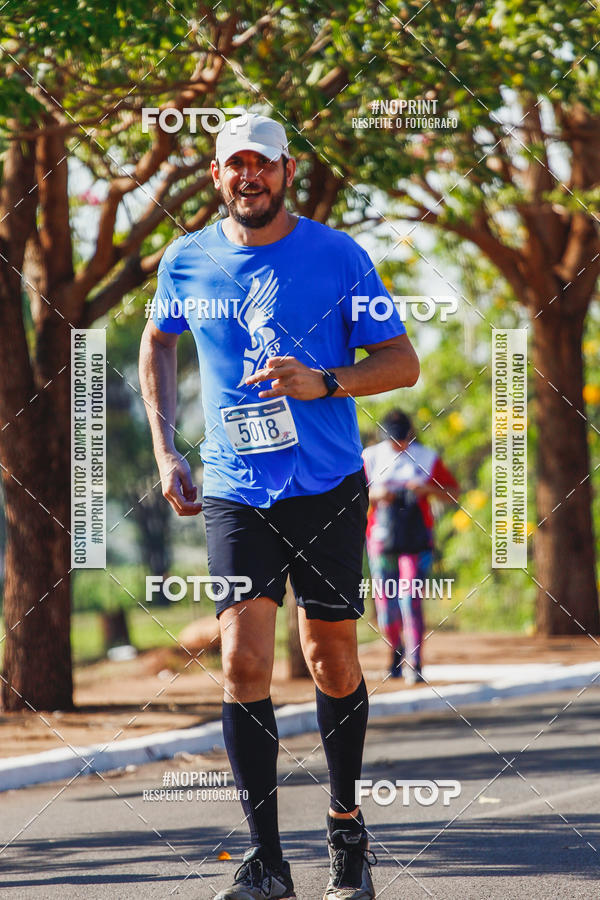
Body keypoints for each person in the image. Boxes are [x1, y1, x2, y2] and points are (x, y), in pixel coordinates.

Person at [139, 113, 419, 900]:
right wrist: (166, 449)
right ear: (216, 175)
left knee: (331, 659)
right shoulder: (186, 259)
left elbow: (401, 362)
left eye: (263, 164)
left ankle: (345, 829)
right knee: (242, 663)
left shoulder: (338, 256)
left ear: (288, 171)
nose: (249, 177)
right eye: (235, 165)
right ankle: (266, 861)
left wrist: (326, 381)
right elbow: (157, 340)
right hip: (235, 490)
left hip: (327, 486)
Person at [363, 410, 459, 684]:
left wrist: (426, 490)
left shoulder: (426, 457)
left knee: (410, 598)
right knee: (386, 606)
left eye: (404, 439)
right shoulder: (370, 457)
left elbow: (453, 492)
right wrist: (376, 494)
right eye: (395, 440)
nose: (400, 444)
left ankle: (414, 662)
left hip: (416, 539)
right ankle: (395, 651)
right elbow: (353, 495)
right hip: (381, 539)